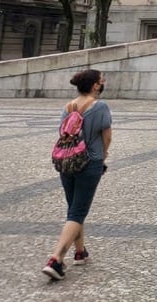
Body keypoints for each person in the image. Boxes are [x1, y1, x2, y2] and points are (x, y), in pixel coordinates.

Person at [42, 69, 112, 281]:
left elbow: (62, 132)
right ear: (94, 86)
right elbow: (106, 135)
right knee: (78, 211)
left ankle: (80, 252)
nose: (103, 83)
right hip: (89, 162)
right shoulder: (99, 106)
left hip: (66, 161)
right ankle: (56, 259)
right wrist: (104, 154)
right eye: (101, 81)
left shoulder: (68, 106)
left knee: (74, 208)